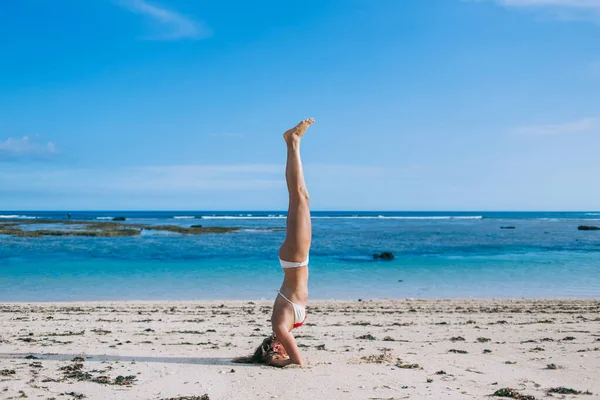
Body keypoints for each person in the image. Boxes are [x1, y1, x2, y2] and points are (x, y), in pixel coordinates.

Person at [234, 118, 315, 367]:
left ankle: (292, 141)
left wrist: (277, 361)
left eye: (275, 352)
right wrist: (278, 360)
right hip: (295, 260)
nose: (281, 351)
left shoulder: (280, 328)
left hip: (295, 259)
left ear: (271, 348)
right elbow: (291, 359)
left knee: (299, 197)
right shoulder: (283, 330)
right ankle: (292, 143)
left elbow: (296, 362)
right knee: (301, 198)